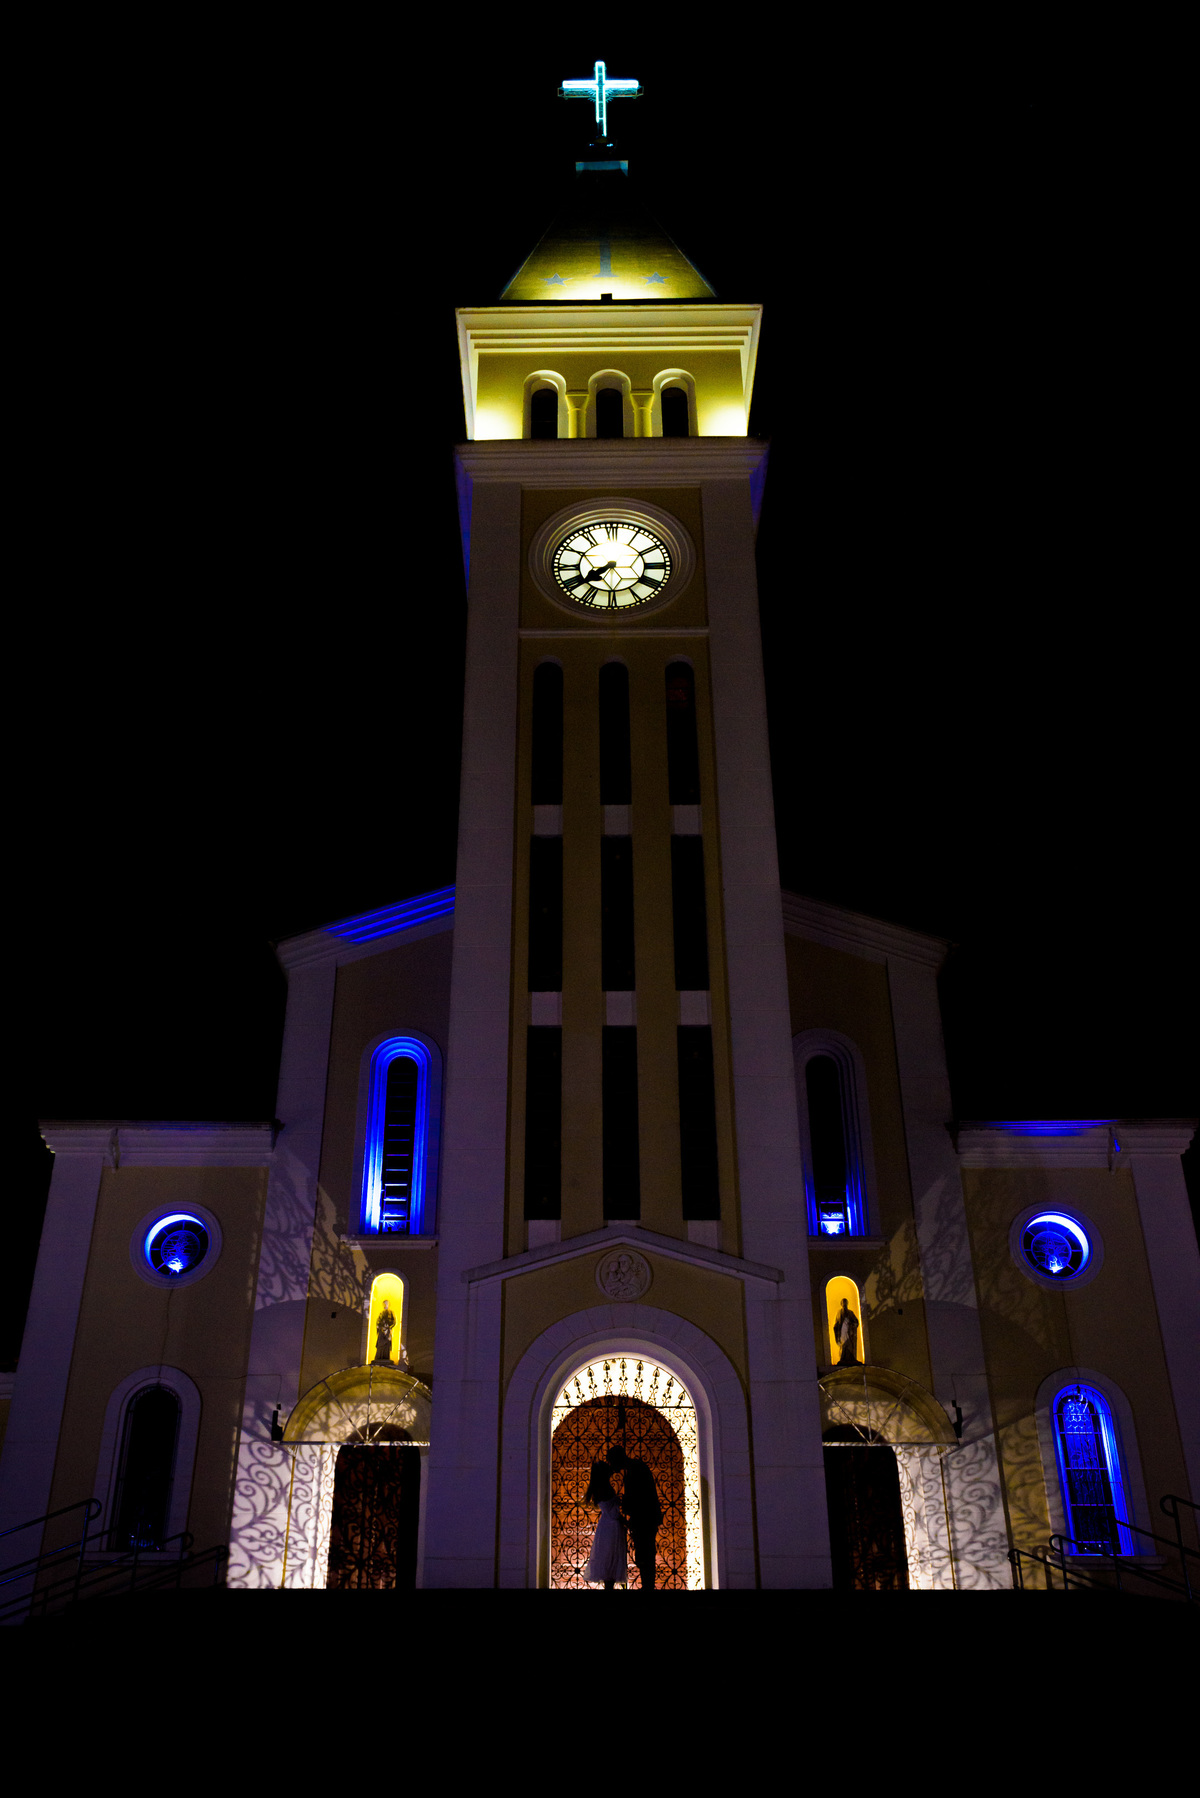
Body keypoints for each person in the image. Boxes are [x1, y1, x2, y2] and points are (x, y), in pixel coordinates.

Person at [607, 1444, 663, 1590]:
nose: (613, 1467)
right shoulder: (636, 1468)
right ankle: (647, 1586)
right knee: (645, 1553)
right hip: (644, 1518)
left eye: (613, 1462)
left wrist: (626, 1505)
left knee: (645, 1554)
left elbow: (640, 1496)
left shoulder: (635, 1470)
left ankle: (648, 1587)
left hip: (644, 1519)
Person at [583, 1460, 627, 1589]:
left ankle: (609, 1587)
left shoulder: (600, 1488)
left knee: (609, 1556)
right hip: (611, 1525)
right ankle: (609, 1587)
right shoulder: (605, 1488)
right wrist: (623, 1520)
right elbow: (613, 1512)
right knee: (611, 1556)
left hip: (607, 1524)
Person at [834, 1296, 859, 1365]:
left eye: (845, 1303)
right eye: (843, 1303)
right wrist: (836, 1332)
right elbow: (837, 1323)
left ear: (847, 1304)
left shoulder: (850, 1313)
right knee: (843, 1344)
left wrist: (851, 1324)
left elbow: (856, 1322)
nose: (844, 1304)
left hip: (850, 1332)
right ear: (841, 1304)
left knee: (850, 1345)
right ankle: (843, 1358)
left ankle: (851, 1358)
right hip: (842, 1332)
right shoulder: (839, 1313)